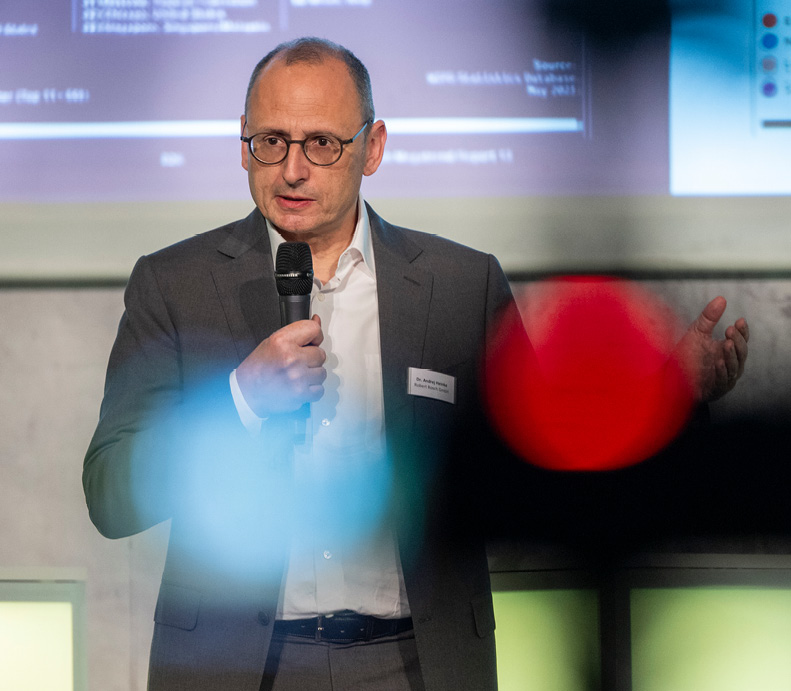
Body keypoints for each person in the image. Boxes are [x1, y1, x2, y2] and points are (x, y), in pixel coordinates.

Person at [83, 37, 749, 691]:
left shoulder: (461, 285)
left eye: (322, 143)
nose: (292, 169)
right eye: (271, 141)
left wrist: (665, 398)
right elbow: (110, 495)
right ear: (242, 143)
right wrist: (242, 400)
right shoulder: (175, 285)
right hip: (232, 667)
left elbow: (542, 472)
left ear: (372, 148)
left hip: (414, 662)